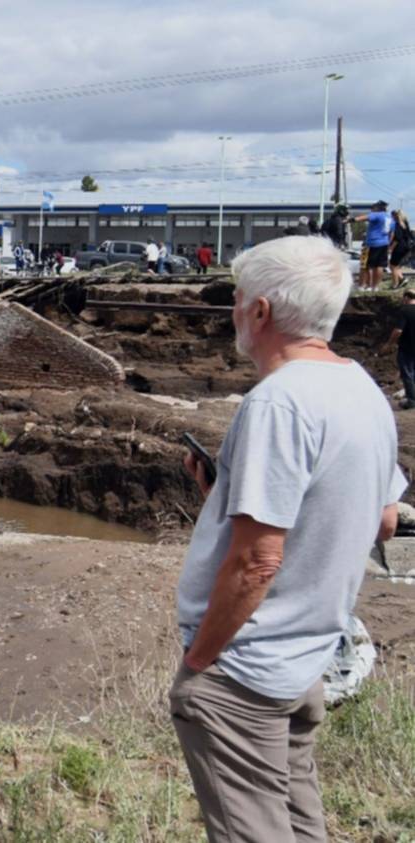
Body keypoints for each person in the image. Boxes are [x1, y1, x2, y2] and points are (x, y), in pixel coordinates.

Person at [174, 235, 405, 843]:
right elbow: (382, 520)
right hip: (305, 658)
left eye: (238, 298)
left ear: (261, 312)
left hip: (248, 667)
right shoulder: (363, 390)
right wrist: (224, 501)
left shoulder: (278, 403)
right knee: (301, 826)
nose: (233, 311)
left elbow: (256, 562)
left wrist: (201, 663)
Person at [381, 288, 415, 409]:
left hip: (407, 348)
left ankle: (411, 400)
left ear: (406, 298)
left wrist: (389, 344)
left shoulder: (405, 311)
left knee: (407, 373)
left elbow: (398, 331)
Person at [356, 200, 396, 291]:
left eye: (372, 208)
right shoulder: (390, 218)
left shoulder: (377, 214)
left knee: (364, 265)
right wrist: (388, 243)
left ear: (377, 208)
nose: (371, 210)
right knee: (379, 266)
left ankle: (362, 286)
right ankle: (375, 286)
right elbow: (392, 233)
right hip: (384, 244)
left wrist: (349, 220)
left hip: (371, 243)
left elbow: (362, 218)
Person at [391, 210, 412, 288]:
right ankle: (402, 279)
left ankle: (395, 284)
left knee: (392, 266)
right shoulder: (406, 223)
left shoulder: (398, 224)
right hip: (406, 247)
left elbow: (397, 238)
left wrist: (390, 248)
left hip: (399, 247)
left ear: (396, 216)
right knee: (396, 266)